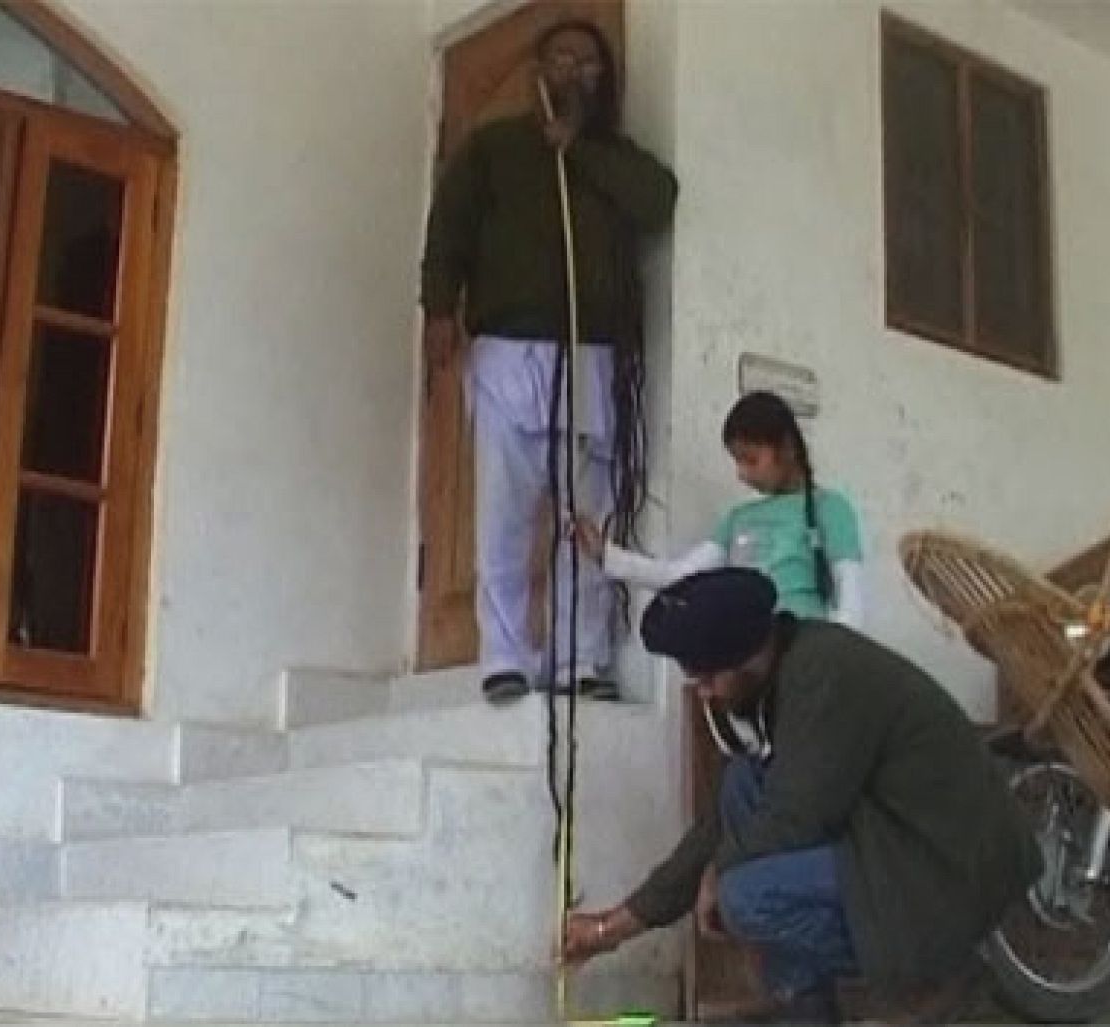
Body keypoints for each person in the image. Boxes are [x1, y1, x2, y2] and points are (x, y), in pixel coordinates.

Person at [561, 568, 1042, 1024]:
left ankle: (935, 976)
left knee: (746, 899)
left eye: (709, 679)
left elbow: (797, 817)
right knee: (740, 787)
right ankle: (801, 1004)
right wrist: (615, 927)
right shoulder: (784, 671)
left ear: (747, 658)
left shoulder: (824, 674)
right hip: (881, 838)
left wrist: (716, 874)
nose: (704, 694)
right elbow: (720, 829)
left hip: (941, 864)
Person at [420, 18, 678, 705]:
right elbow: (448, 227)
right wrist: (438, 307)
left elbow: (661, 201)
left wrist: (581, 150)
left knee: (587, 519)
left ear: (605, 82)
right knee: (505, 513)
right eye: (562, 58)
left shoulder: (615, 159)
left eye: (590, 64)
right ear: (538, 66)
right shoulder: (493, 148)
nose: (574, 72)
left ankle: (580, 658)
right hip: (509, 352)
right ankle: (504, 655)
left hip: (595, 359)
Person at [576, 390, 865, 628]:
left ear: (787, 448)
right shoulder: (738, 519)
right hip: (745, 659)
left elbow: (851, 606)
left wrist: (826, 663)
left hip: (803, 653)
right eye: (738, 462)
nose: (742, 474)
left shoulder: (830, 509)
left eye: (751, 460)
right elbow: (679, 577)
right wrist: (606, 554)